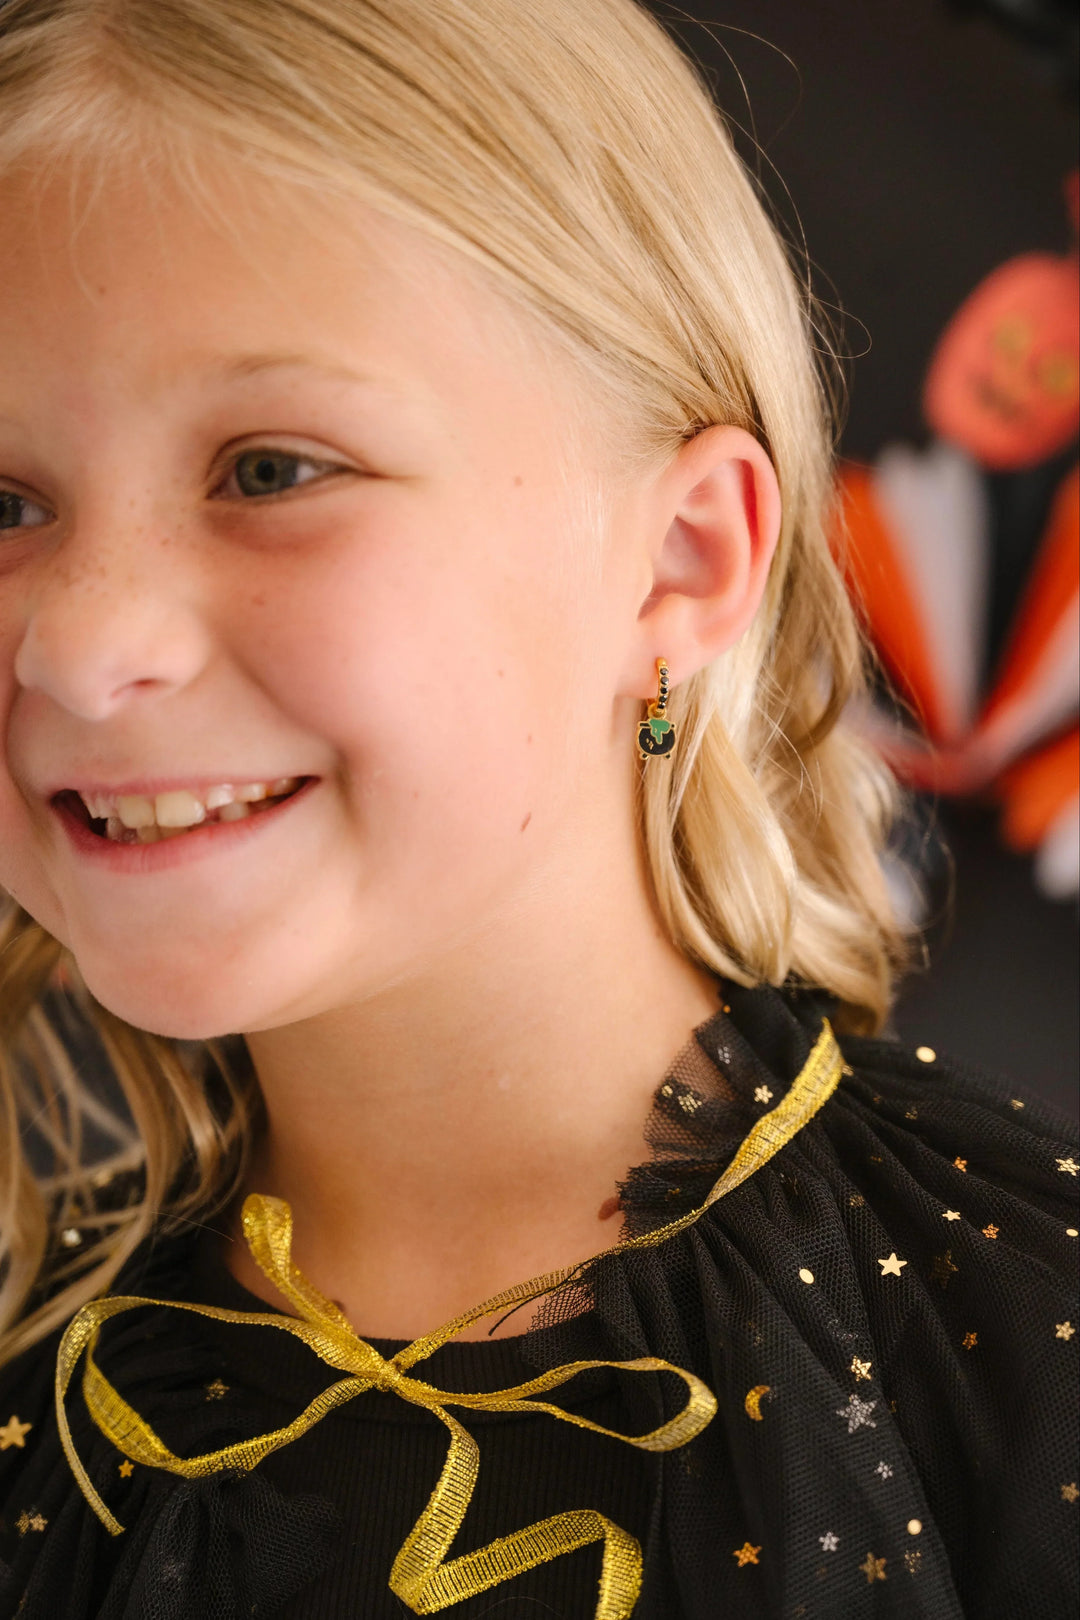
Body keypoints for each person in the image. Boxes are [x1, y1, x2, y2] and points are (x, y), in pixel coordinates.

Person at [0, 2, 1075, 1616]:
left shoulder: (1026, 1366)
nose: (77, 643)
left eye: (274, 470)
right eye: (4, 502)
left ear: (686, 557)